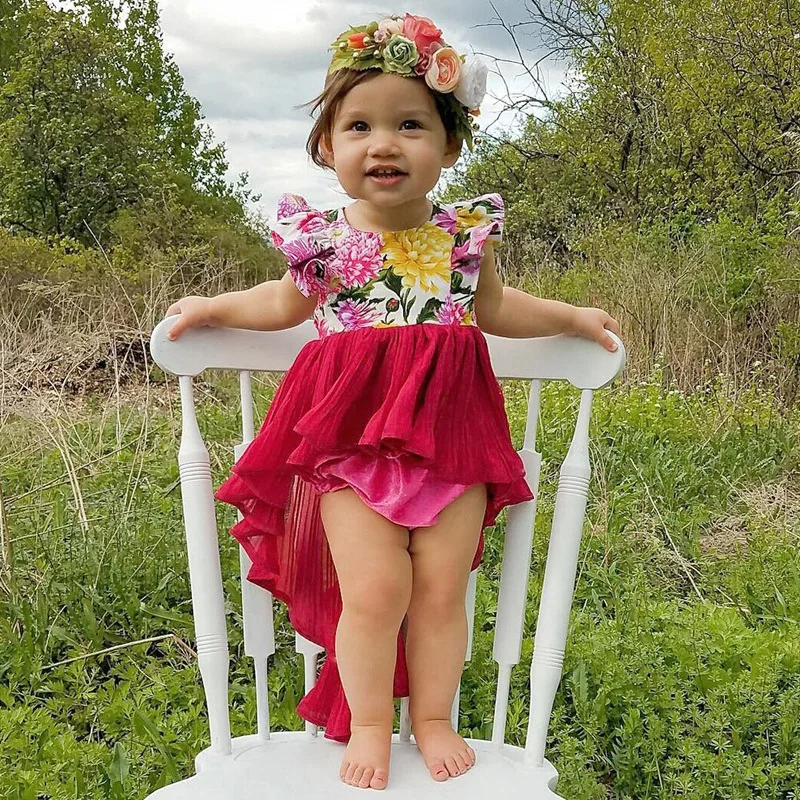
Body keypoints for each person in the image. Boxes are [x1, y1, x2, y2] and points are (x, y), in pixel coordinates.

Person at [163, 12, 620, 792]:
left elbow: (497, 310)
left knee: (442, 590)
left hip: (452, 439)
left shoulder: (463, 237)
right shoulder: (322, 241)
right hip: (350, 445)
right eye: (359, 126)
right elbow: (279, 303)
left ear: (449, 146)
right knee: (375, 591)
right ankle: (373, 721)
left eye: (410, 125)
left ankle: (433, 717)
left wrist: (572, 318)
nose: (384, 144)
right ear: (327, 147)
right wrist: (213, 307)